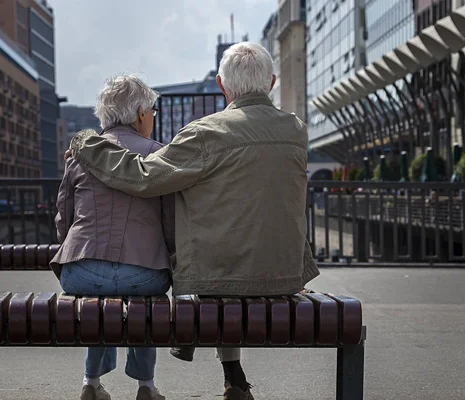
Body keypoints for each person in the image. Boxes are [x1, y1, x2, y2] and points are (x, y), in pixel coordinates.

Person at [68, 42, 320, 400]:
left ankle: (223, 372)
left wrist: (85, 144)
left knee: (218, 261)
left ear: (221, 84)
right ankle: (233, 374)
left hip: (221, 279)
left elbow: (142, 177)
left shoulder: (205, 133)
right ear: (273, 82)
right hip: (286, 275)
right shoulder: (297, 130)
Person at [52, 75, 174, 400]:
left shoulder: (78, 156)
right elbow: (170, 224)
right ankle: (146, 386)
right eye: (152, 111)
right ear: (139, 115)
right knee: (141, 299)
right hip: (144, 273)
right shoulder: (159, 156)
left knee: (100, 294)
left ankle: (90, 382)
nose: (152, 117)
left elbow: (63, 220)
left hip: (81, 272)